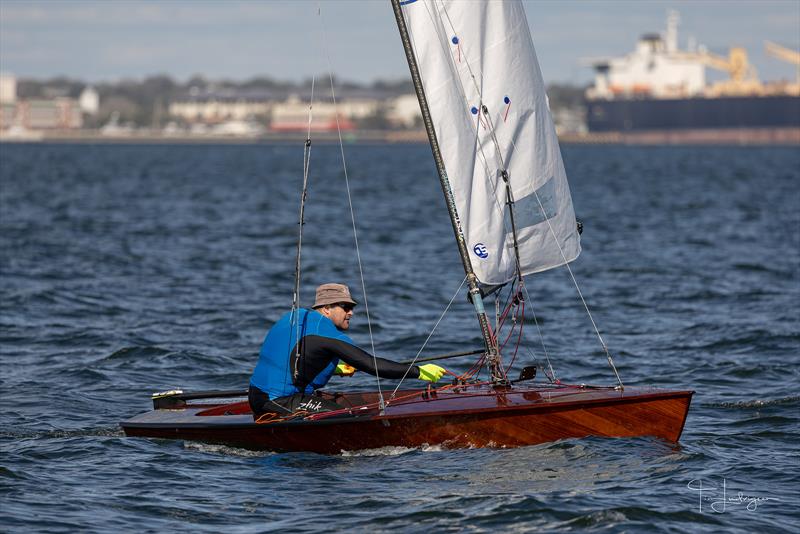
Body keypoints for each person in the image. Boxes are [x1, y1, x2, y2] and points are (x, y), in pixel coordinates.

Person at [248, 283, 448, 417]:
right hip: (278, 401)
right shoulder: (327, 334)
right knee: (348, 417)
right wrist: (418, 371)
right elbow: (371, 365)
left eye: (352, 307)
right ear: (326, 308)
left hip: (257, 396)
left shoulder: (294, 316)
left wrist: (335, 368)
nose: (351, 312)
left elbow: (288, 357)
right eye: (345, 307)